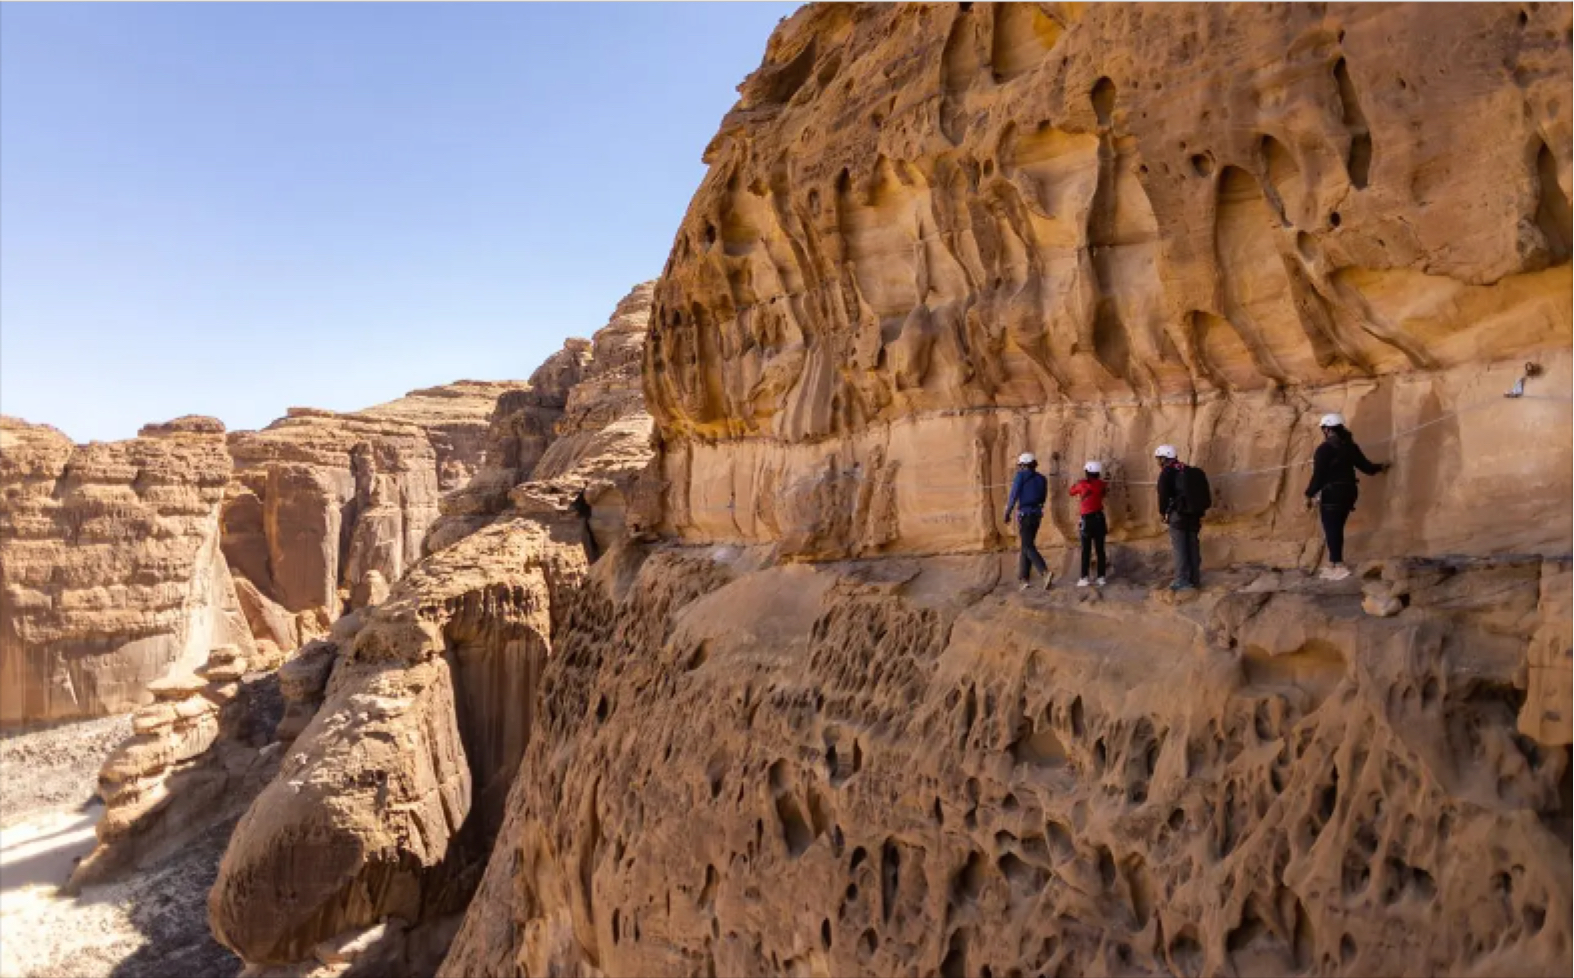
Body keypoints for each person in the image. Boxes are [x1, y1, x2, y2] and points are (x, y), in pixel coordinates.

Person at [1304, 413, 1388, 580]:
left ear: (1327, 429)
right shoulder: (1350, 446)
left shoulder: (1324, 449)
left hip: (1332, 493)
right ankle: (1335, 563)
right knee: (1336, 526)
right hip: (1349, 492)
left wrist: (1308, 494)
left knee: (1331, 528)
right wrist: (1381, 467)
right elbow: (1367, 468)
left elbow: (1319, 476)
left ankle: (1339, 565)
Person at [1155, 444, 1202, 590]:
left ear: (1164, 458)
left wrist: (1163, 512)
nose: (1158, 462)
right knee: (1192, 545)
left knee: (1180, 547)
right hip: (1193, 514)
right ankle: (1195, 579)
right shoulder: (1187, 469)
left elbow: (1163, 495)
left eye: (1159, 459)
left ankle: (1182, 580)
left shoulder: (1167, 472)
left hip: (1178, 514)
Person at [1004, 452, 1051, 590]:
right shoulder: (1042, 479)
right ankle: (1024, 579)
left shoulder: (1020, 476)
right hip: (1037, 514)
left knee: (1028, 546)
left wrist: (1007, 512)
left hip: (1025, 514)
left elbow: (1014, 495)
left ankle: (1044, 572)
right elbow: (1043, 498)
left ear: (1023, 465)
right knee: (1026, 544)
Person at [1069, 461, 1109, 587]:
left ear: (1087, 472)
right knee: (1100, 550)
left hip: (1087, 520)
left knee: (1086, 550)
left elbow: (1071, 491)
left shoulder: (1082, 484)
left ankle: (1084, 578)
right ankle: (1101, 577)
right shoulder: (1102, 484)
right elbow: (1104, 490)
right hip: (1100, 519)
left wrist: (1077, 482)